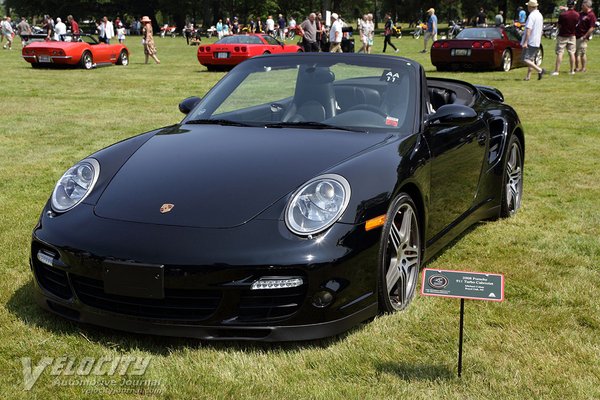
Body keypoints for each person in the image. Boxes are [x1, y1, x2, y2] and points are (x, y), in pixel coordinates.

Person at [552, 0, 579, 75]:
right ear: (574, 6)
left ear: (567, 5)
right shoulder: (577, 14)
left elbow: (559, 25)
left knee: (560, 53)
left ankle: (556, 71)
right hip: (572, 35)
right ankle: (572, 70)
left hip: (562, 35)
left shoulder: (563, 15)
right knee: (572, 53)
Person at [521, 0, 545, 80]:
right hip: (536, 40)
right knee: (531, 59)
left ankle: (540, 70)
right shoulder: (540, 15)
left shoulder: (531, 16)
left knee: (525, 59)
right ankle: (528, 76)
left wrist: (525, 42)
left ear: (530, 7)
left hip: (531, 41)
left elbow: (529, 29)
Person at [575, 0, 597, 72]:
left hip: (583, 36)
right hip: (576, 35)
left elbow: (592, 27)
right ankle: (577, 67)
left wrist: (585, 36)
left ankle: (583, 68)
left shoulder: (591, 15)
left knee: (582, 53)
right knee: (576, 53)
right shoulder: (581, 13)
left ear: (587, 6)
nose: (581, 7)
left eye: (583, 6)